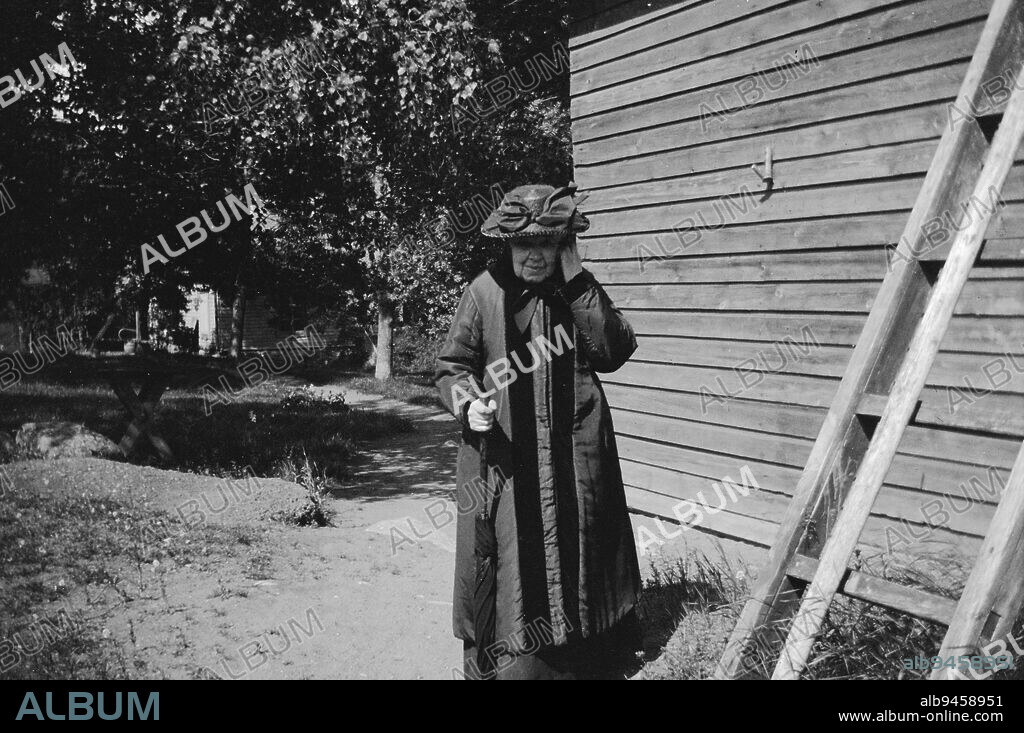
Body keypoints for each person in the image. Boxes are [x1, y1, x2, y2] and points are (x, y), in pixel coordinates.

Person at [435, 183, 643, 680]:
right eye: (523, 243)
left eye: (546, 243)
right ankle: (514, 659)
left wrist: (575, 278)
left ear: (564, 244)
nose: (533, 255)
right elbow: (451, 366)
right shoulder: (483, 292)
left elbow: (613, 349)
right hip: (507, 462)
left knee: (584, 551)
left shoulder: (580, 291)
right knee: (512, 557)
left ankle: (591, 653)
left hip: (576, 458)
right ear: (507, 243)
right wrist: (469, 406)